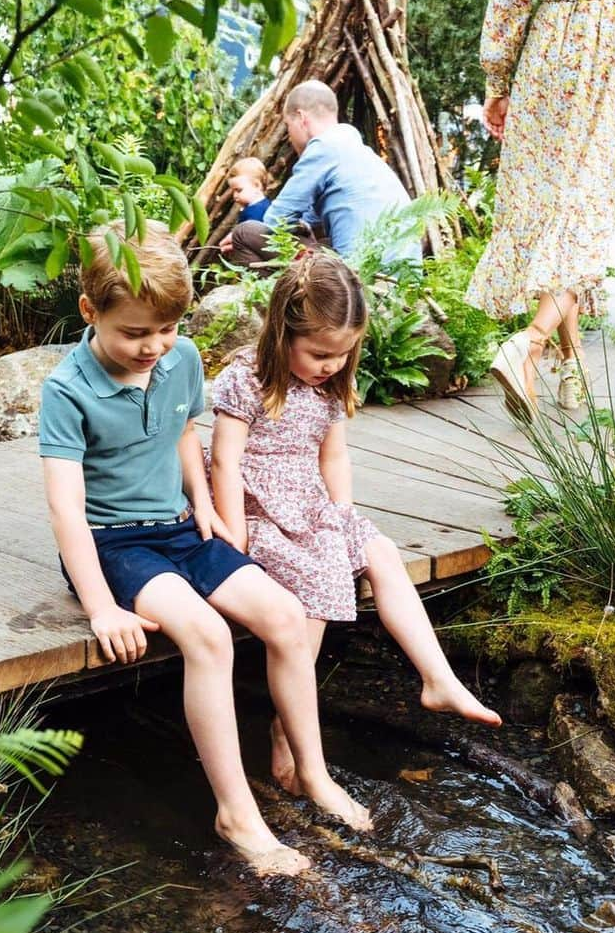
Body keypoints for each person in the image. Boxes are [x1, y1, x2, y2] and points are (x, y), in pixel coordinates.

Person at [39, 223, 371, 877]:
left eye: (165, 329)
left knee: (282, 616)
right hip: (113, 546)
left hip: (182, 526)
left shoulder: (180, 357)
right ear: (90, 312)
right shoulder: (66, 389)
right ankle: (237, 814)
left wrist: (212, 507)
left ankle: (313, 771)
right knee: (209, 637)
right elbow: (65, 509)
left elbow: (187, 434)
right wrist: (104, 607)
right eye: (134, 333)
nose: (153, 347)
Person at [210, 253, 502, 791]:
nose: (331, 365)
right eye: (320, 353)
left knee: (381, 553)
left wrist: (342, 514)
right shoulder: (246, 380)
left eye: (343, 355)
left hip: (312, 504)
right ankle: (287, 728)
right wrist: (234, 535)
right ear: (282, 332)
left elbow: (333, 457)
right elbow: (225, 460)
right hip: (259, 510)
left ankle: (438, 678)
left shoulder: (327, 386)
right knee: (321, 576)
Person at [468, 0, 615, 420]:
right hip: (605, 53)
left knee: (553, 213)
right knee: (584, 215)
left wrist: (497, 82)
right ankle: (529, 344)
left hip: (545, 54)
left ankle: (572, 363)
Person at [219, 80, 420, 269]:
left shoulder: (323, 148)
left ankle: (280, 305)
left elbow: (276, 219)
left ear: (301, 118)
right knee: (322, 241)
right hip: (399, 275)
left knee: (244, 233)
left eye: (288, 126)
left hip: (358, 277)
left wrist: (237, 237)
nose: (289, 138)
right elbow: (310, 220)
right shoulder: (352, 147)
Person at [228, 157, 273, 223]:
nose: (235, 195)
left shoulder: (256, 212)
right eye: (233, 191)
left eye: (239, 190)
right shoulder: (263, 205)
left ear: (257, 186)